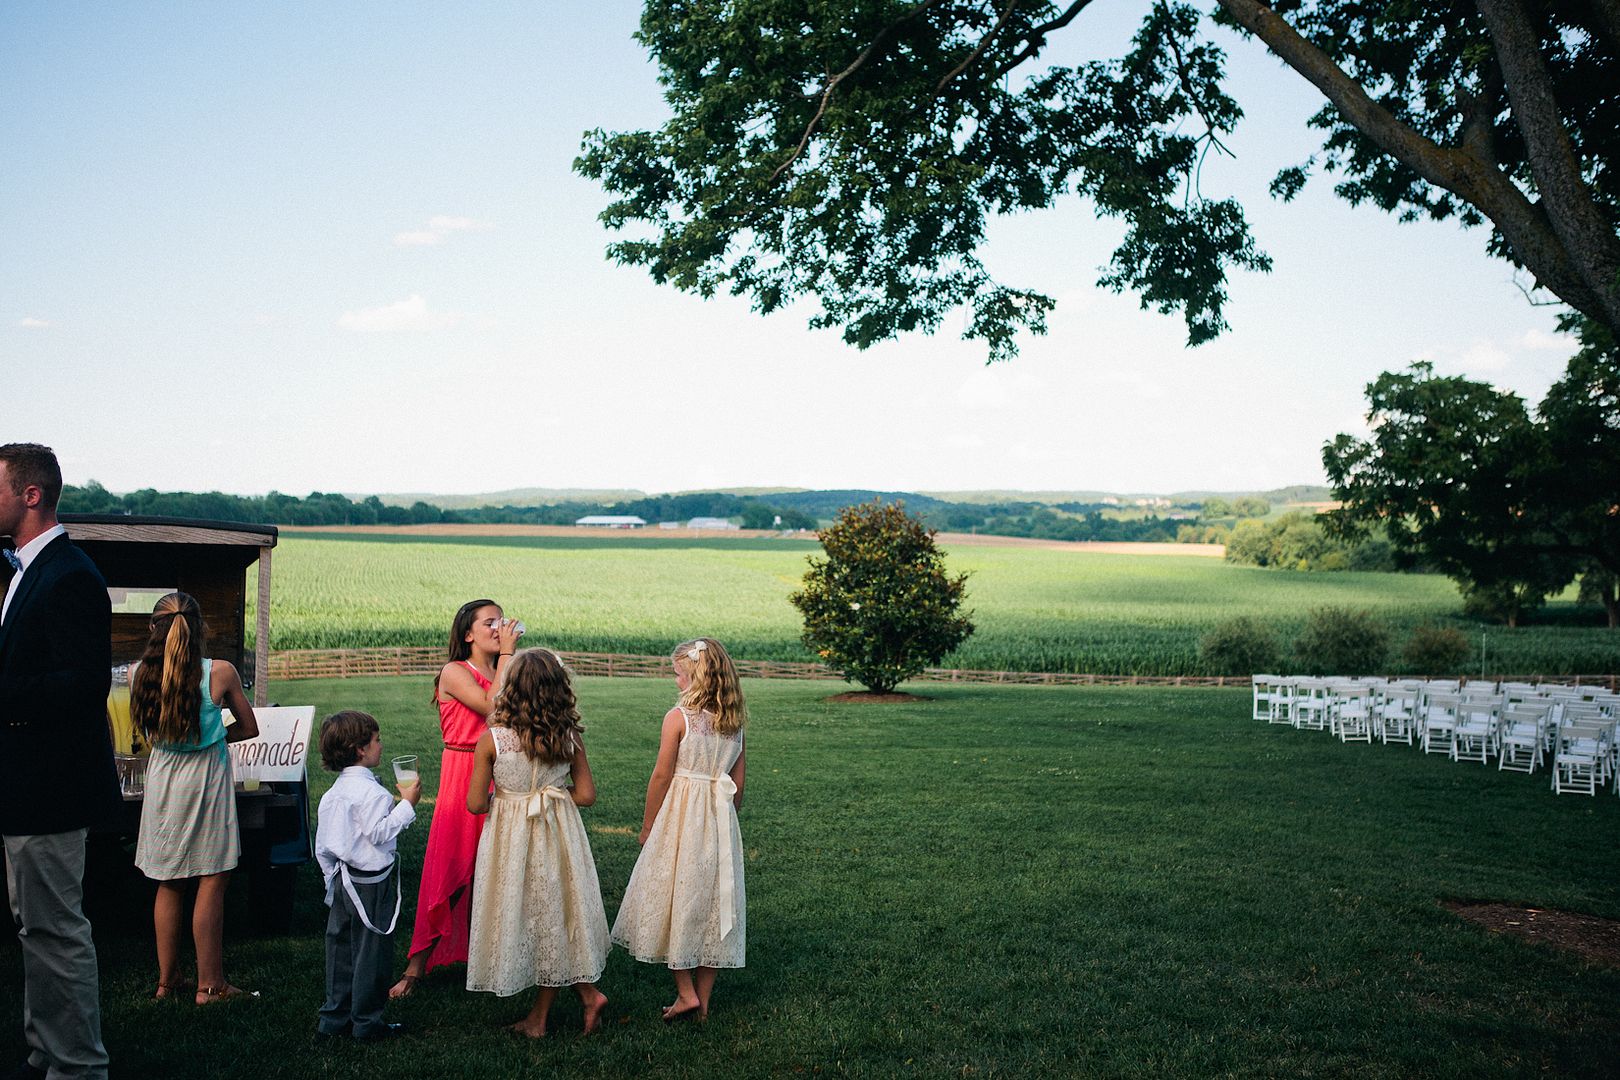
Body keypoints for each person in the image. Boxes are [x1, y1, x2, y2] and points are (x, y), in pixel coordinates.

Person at [0, 443, 120, 1080]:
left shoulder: (70, 573)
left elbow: (81, 686)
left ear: (31, 494)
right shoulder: (26, 571)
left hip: (50, 788)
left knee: (56, 932)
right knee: (34, 932)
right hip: (24, 787)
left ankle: (76, 1068)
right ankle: (46, 1052)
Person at [464, 649, 609, 1037]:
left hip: (511, 839)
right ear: (559, 689)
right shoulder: (568, 736)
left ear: (510, 688)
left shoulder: (491, 740)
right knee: (555, 913)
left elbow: (476, 803)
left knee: (527, 914)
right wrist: (551, 794)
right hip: (558, 832)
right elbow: (587, 794)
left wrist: (512, 801)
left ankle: (542, 1018)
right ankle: (582, 996)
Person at [129, 591, 262, 1004]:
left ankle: (167, 983)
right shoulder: (219, 673)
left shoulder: (138, 674)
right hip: (206, 779)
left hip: (165, 777)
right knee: (211, 877)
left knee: (169, 881)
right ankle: (211, 985)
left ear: (154, 628)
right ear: (201, 628)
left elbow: (146, 733)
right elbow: (249, 727)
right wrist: (217, 736)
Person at [611, 637, 748, 1022]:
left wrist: (648, 824)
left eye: (678, 674)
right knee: (712, 907)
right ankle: (702, 1005)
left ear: (695, 676)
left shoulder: (679, 718)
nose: (676, 682)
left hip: (680, 818)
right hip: (719, 821)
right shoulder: (734, 723)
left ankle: (685, 993)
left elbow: (661, 775)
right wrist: (726, 821)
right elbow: (738, 783)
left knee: (673, 898)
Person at [390, 599, 521, 998]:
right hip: (463, 771)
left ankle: (499, 958)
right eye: (490, 621)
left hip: (502, 769)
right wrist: (509, 654)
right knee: (451, 867)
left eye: (501, 620)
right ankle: (416, 968)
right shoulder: (453, 671)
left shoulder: (502, 667)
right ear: (468, 634)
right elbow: (492, 708)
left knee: (497, 866)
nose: (499, 627)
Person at [314, 710, 421, 1041]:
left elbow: (323, 845)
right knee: (371, 954)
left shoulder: (333, 793)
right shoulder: (372, 794)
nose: (380, 744)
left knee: (341, 950)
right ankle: (366, 1023)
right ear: (360, 749)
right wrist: (407, 804)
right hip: (370, 884)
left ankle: (334, 1021)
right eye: (376, 740)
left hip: (343, 882)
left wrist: (331, 879)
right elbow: (379, 834)